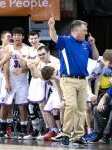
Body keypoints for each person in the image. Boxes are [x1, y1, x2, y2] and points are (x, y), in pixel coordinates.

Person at [48, 17, 99, 145]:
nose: (86, 33)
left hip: (82, 81)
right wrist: (51, 26)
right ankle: (65, 133)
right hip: (68, 79)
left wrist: (93, 44)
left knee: (82, 108)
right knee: (71, 105)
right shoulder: (65, 41)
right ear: (76, 30)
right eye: (84, 30)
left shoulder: (86, 44)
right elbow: (54, 37)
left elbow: (96, 57)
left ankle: (78, 135)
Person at [26, 46, 63, 141]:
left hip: (61, 88)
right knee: (46, 110)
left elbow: (58, 81)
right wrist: (32, 68)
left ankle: (61, 132)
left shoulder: (55, 62)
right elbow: (35, 76)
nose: (41, 56)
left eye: (43, 54)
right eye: (39, 55)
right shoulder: (41, 63)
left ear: (48, 53)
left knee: (56, 110)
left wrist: (62, 98)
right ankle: (54, 130)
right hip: (53, 88)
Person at [0, 27, 30, 137]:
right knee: (5, 104)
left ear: (23, 37)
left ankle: (23, 130)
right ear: (12, 37)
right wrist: (7, 82)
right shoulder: (8, 48)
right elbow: (5, 66)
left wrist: (23, 69)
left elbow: (29, 67)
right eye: (15, 35)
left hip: (22, 81)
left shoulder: (27, 49)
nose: (17, 37)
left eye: (19, 35)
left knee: (22, 105)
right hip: (10, 79)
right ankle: (2, 128)